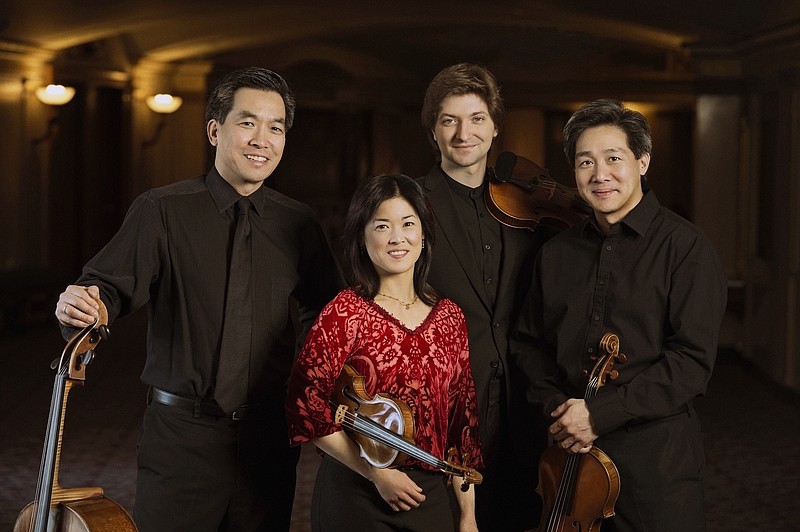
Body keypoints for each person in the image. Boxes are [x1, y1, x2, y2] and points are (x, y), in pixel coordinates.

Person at [54, 67, 345, 531]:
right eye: (248, 123)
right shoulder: (162, 210)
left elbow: (330, 313)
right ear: (215, 130)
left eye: (276, 128)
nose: (262, 140)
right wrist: (85, 304)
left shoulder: (299, 223)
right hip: (181, 439)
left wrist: (310, 371)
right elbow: (106, 286)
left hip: (269, 438)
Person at [511, 99, 727, 531]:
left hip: (655, 466)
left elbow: (691, 363)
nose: (599, 174)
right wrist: (560, 411)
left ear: (642, 161)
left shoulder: (685, 248)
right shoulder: (555, 254)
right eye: (585, 162)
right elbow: (528, 344)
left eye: (614, 158)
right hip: (569, 457)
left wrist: (598, 414)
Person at [284, 173, 483, 532]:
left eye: (408, 223)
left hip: (430, 493)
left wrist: (467, 515)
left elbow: (461, 424)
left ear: (424, 234)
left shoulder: (451, 317)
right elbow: (305, 405)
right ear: (362, 238)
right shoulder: (345, 311)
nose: (397, 238)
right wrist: (376, 474)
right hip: (356, 492)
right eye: (382, 226)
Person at [416, 62, 550, 531]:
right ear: (433, 130)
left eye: (476, 119)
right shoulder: (409, 204)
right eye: (449, 120)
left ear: (495, 128)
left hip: (520, 413)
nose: (463, 133)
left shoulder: (530, 207)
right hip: (444, 414)